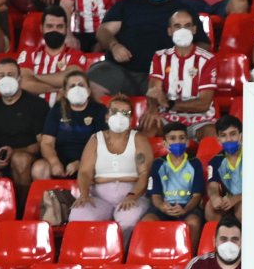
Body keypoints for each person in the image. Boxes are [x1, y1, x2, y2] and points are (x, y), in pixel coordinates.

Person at [90, 0, 210, 98]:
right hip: (122, 71)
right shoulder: (127, 4)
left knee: (172, 95)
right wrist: (114, 46)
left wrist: (186, 63)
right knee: (94, 78)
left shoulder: (184, 9)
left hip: (164, 74)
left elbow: (203, 43)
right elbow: (104, 31)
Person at [0, 60, 51, 208]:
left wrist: (14, 152)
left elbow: (42, 143)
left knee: (20, 160)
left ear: (20, 79)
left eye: (11, 75)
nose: (6, 79)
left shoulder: (37, 105)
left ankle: (21, 210)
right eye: (1, 75)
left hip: (27, 160)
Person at [68, 94, 151, 236]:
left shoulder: (139, 139)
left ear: (131, 119)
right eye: (114, 112)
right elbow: (85, 172)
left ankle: (123, 255)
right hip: (100, 196)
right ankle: (88, 255)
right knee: (79, 215)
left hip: (132, 193)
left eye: (125, 113)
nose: (119, 116)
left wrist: (132, 196)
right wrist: (84, 194)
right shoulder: (96, 139)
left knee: (129, 218)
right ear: (107, 117)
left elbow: (144, 174)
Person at [144, 9, 217, 139]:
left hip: (200, 120)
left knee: (212, 133)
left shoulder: (207, 59)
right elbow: (154, 91)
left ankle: (209, 160)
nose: (182, 31)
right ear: (169, 31)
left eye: (187, 26)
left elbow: (204, 103)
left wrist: (170, 104)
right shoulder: (160, 57)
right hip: (167, 119)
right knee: (148, 126)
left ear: (194, 30)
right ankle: (157, 160)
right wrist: (153, 108)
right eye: (177, 26)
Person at [31, 69, 106, 181]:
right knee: (39, 169)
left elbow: (103, 146)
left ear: (89, 91)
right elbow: (47, 143)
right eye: (72, 86)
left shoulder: (100, 111)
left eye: (81, 85)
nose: (77, 89)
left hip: (90, 161)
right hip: (61, 162)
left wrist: (81, 163)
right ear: (65, 93)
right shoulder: (57, 110)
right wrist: (54, 162)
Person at [141, 121, 205, 250]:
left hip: (187, 208)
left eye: (182, 138)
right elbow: (155, 195)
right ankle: (152, 256)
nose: (178, 142)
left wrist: (185, 209)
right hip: (164, 208)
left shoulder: (194, 163)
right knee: (147, 221)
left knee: (194, 222)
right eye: (172, 138)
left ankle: (189, 258)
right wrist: (163, 207)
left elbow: (197, 195)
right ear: (165, 143)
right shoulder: (158, 163)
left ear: (187, 142)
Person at [16, 5, 84, 103]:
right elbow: (23, 83)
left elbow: (71, 78)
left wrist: (35, 76)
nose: (54, 30)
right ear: (41, 28)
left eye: (59, 26)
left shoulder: (75, 55)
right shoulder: (29, 53)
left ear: (66, 29)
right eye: (49, 26)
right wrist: (57, 88)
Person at [205, 114, 242, 223]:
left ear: (241, 135)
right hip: (230, 202)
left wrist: (237, 198)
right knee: (210, 207)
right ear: (218, 139)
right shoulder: (215, 161)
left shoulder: (253, 155)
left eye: (233, 134)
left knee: (243, 208)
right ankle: (218, 238)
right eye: (223, 135)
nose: (229, 139)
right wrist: (214, 197)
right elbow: (212, 186)